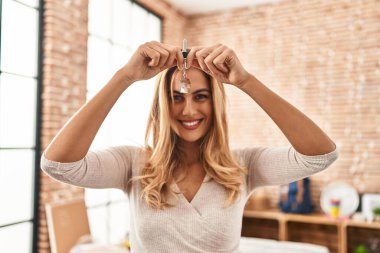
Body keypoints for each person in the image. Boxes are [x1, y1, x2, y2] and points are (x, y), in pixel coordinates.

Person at [41, 41, 339, 252]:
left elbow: (320, 155)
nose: (188, 110)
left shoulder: (243, 166)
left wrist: (246, 81)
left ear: (215, 102)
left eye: (200, 96)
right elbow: (58, 164)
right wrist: (125, 77)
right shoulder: (133, 163)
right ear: (162, 105)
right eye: (176, 97)